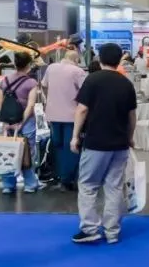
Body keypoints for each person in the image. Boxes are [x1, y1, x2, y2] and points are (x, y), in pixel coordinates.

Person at [71, 44, 136, 245]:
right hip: (120, 143)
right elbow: (132, 116)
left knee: (88, 185)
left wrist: (75, 136)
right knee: (114, 187)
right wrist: (130, 137)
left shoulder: (92, 80)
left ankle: (89, 229)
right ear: (119, 60)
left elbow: (82, 110)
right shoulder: (126, 83)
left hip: (96, 142)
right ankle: (112, 231)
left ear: (99, 59)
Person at [0, 52, 43, 194]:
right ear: (29, 65)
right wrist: (21, 122)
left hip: (7, 121)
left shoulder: (5, 81)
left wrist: (5, 120)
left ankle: (8, 185)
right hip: (26, 122)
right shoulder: (31, 83)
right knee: (27, 152)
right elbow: (30, 105)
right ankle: (30, 184)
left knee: (7, 151)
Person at [42, 48, 87, 190]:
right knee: (71, 147)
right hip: (71, 116)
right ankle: (68, 179)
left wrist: (48, 100)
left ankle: (59, 176)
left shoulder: (51, 68)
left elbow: (44, 86)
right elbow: (86, 92)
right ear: (76, 60)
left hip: (53, 114)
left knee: (57, 145)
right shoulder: (78, 72)